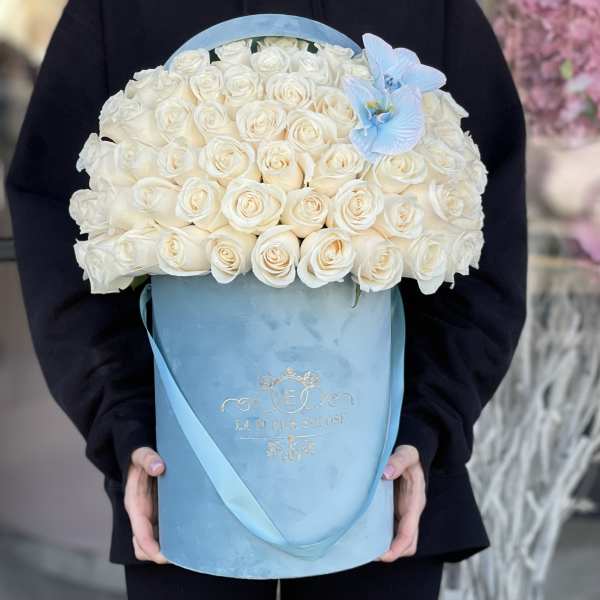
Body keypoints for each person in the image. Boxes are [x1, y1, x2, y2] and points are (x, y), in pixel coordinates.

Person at [5, 0, 527, 598]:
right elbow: (58, 223)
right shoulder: (113, 9)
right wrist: (127, 427)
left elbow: (484, 226)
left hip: (387, 477)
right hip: (181, 475)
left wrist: (424, 428)